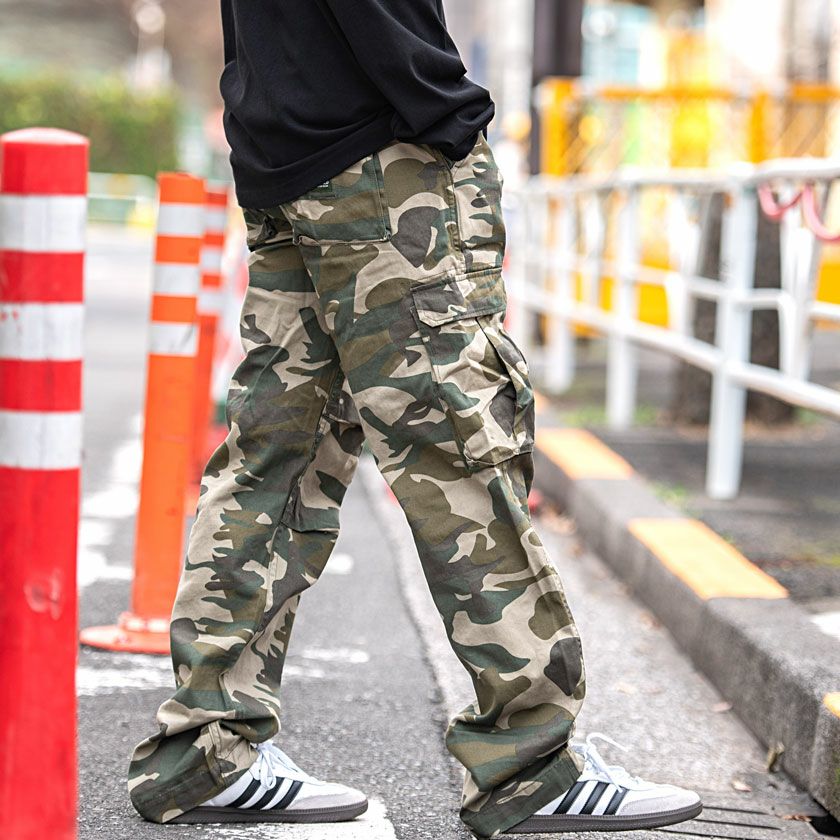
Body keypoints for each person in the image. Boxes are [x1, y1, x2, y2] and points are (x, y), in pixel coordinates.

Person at [127, 1, 703, 836]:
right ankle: (530, 762)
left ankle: (205, 750)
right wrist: (446, 107)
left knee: (279, 457)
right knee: (456, 446)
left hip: (284, 148)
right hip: (379, 157)